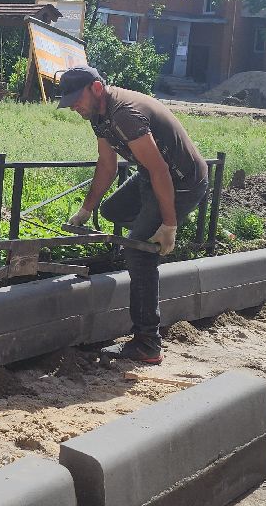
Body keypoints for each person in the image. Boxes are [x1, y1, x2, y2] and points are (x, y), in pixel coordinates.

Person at [57, 65, 208, 364]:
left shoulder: (126, 113)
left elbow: (160, 170)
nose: (74, 106)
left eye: (77, 98)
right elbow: (107, 166)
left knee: (139, 254)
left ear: (96, 88)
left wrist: (168, 223)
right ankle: (142, 243)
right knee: (113, 210)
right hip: (151, 177)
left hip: (182, 181)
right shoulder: (98, 116)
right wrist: (87, 209)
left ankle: (147, 344)